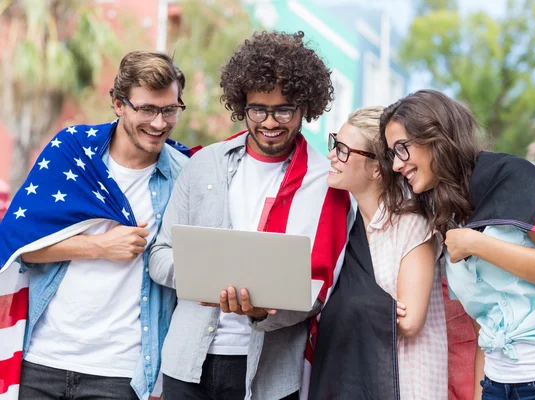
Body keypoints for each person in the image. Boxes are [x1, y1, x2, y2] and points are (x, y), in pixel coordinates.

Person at [148, 31, 352, 400]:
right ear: (242, 105)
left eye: (284, 110)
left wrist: (260, 311)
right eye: (258, 109)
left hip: (268, 377)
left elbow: (318, 291)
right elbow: (159, 257)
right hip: (186, 363)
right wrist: (209, 279)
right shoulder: (203, 164)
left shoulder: (327, 184)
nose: (270, 122)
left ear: (306, 107)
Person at [378, 89, 535, 400]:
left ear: (436, 136)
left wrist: (476, 244)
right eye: (391, 155)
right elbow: (482, 324)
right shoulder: (445, 215)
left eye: (402, 149)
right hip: (495, 383)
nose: (398, 165)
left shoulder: (513, 177)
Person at [0, 51, 189, 400]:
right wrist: (100, 247)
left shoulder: (185, 174)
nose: (160, 123)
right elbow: (16, 244)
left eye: (169, 110)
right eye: (147, 109)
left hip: (121, 371)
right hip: (42, 359)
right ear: (118, 104)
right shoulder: (72, 151)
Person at [308, 107, 447, 399]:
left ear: (376, 168)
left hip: (406, 382)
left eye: (344, 150)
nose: (332, 156)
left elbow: (410, 322)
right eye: (335, 144)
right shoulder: (346, 227)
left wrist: (361, 303)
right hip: (357, 378)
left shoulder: (412, 225)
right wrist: (377, 305)